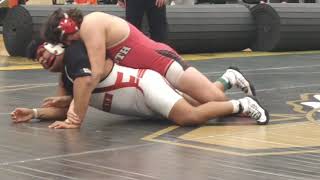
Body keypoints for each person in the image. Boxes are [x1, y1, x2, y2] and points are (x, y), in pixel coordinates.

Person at [42, 8, 256, 126]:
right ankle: (228, 78)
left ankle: (232, 83)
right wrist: (71, 100)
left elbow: (95, 73)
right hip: (150, 71)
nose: (69, 46)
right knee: (202, 102)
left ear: (68, 28)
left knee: (217, 102)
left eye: (67, 41)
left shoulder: (91, 24)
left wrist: (75, 113)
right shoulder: (86, 32)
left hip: (162, 62)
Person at [10, 40, 269, 128]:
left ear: (56, 46)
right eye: (37, 59)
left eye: (43, 53)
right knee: (205, 102)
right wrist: (33, 113)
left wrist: (71, 110)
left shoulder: (77, 55)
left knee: (189, 116)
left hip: (143, 86)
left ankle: (242, 105)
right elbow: (65, 110)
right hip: (141, 101)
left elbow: (84, 88)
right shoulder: (66, 76)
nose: (41, 59)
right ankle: (229, 78)